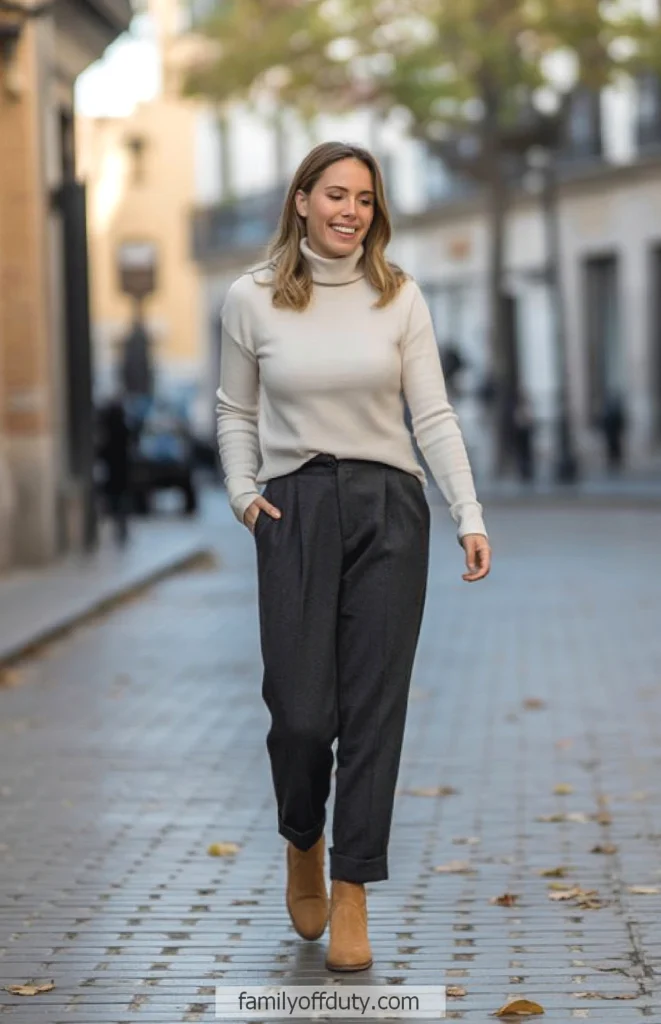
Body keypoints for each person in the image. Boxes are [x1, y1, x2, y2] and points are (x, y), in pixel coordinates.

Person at [216, 142, 491, 973]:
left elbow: (432, 415)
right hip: (294, 508)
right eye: (334, 194)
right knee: (301, 714)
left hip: (388, 510)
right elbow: (235, 410)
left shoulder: (397, 295)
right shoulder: (251, 298)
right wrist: (242, 495)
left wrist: (465, 511)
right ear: (300, 200)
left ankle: (352, 889)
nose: (349, 211)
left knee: (373, 711)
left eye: (364, 199)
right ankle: (303, 834)